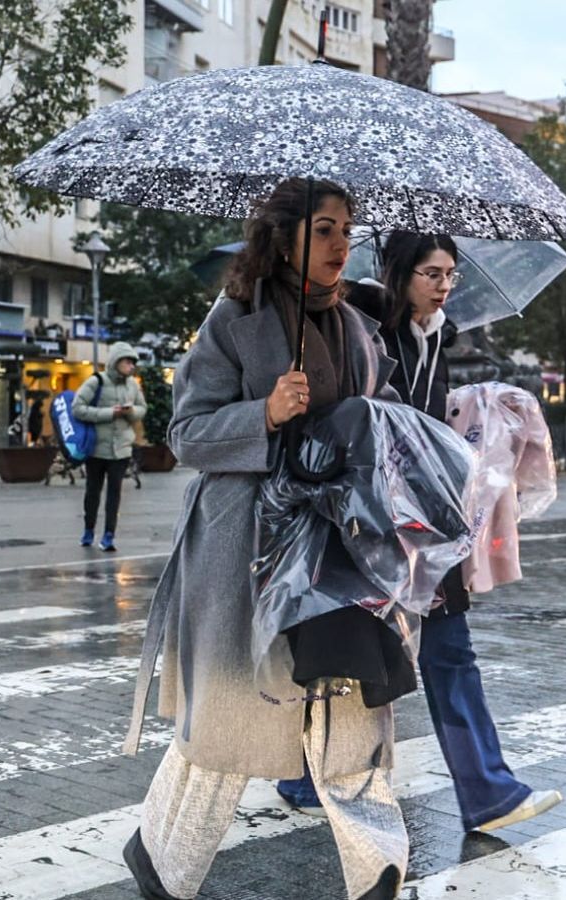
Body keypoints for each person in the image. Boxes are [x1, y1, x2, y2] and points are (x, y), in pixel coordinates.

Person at [122, 178, 409, 900]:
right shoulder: (236, 317)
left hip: (336, 549)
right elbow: (185, 433)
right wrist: (265, 413)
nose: (343, 243)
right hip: (245, 550)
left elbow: (379, 425)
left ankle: (377, 866)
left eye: (348, 228)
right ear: (285, 238)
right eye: (325, 230)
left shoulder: (360, 327)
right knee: (228, 724)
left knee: (351, 705)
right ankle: (162, 854)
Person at [276, 232, 563, 834]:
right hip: (363, 525)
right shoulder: (361, 330)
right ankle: (306, 772)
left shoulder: (439, 340)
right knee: (349, 653)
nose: (444, 286)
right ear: (400, 275)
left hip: (427, 524)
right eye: (432, 273)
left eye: (451, 274)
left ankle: (488, 792)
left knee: (448, 652)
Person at [72, 342, 146, 552]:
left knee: (115, 492)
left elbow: (142, 408)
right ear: (115, 362)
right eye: (127, 361)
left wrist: (130, 412)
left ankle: (109, 535)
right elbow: (77, 408)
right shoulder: (96, 381)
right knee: (92, 491)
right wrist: (108, 413)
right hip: (96, 448)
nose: (131, 366)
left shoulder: (133, 385)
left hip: (121, 449)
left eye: (133, 362)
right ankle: (88, 530)